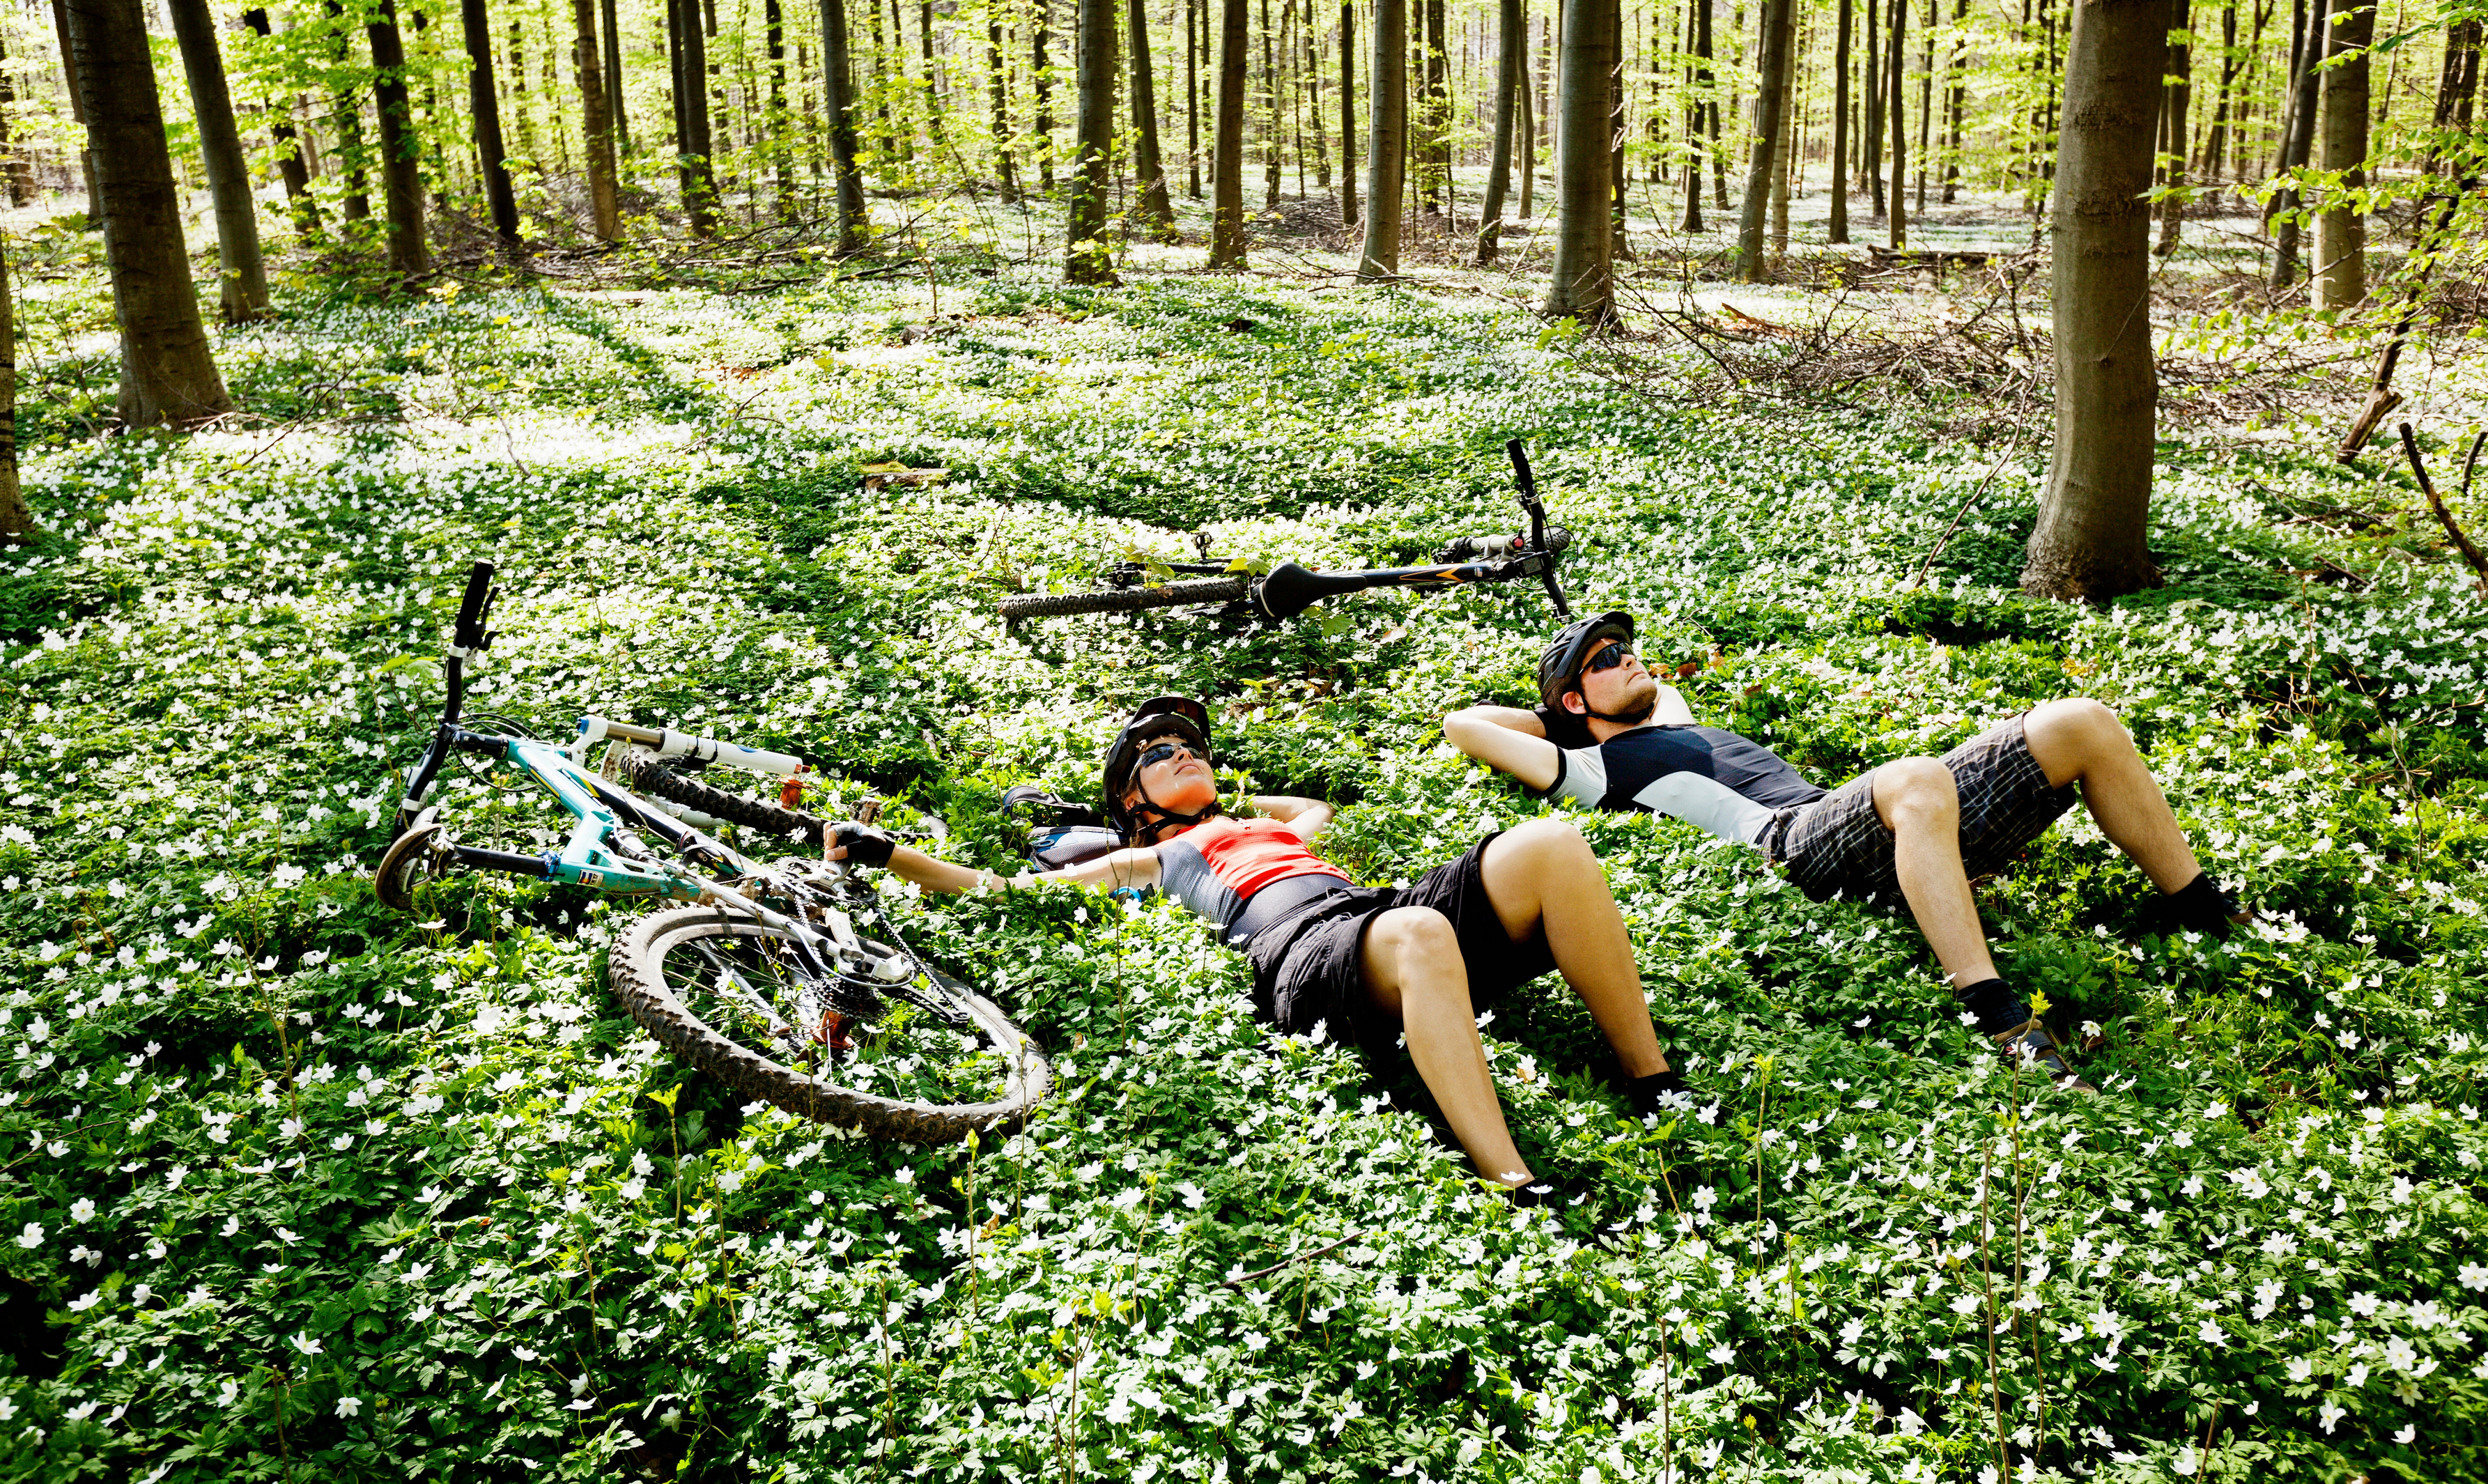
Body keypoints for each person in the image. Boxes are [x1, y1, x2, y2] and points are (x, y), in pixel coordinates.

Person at [825, 695, 1687, 1201]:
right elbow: (999, 889)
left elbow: (1311, 812)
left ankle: (1653, 1083)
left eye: (1190, 747)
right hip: (1298, 952)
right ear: (1130, 802)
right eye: (1157, 755)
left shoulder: (1254, 826)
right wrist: (887, 854)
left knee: (1551, 844)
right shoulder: (1152, 857)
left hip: (1371, 917)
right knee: (1421, 932)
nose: (1181, 754)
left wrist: (1228, 799)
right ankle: (1513, 1183)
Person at [1444, 612, 2257, 1095]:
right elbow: (1465, 724)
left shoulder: (1675, 719)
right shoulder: (1591, 768)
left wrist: (1601, 683)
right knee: (1914, 778)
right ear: (1575, 700)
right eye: (1604, 661)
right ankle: (2001, 1020)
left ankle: (2206, 913)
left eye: (1627, 646)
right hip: (1792, 850)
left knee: (2078, 721)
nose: (1628, 658)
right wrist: (1563, 717)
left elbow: (1650, 691)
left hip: (1877, 827)